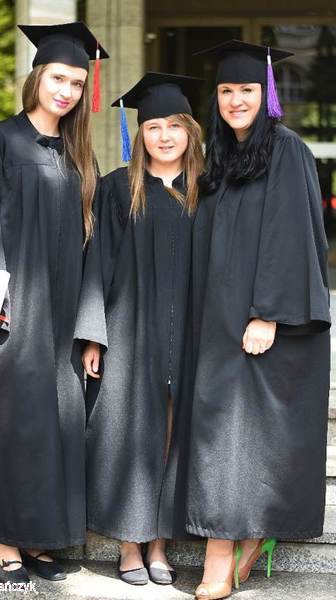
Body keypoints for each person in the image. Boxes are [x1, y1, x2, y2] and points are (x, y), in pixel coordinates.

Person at [0, 22, 108, 584]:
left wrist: (91, 327)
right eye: (58, 78)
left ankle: (38, 542)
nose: (67, 91)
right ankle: (7, 544)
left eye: (77, 83)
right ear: (36, 78)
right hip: (10, 314)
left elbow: (95, 248)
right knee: (10, 425)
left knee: (56, 427)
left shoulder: (81, 157)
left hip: (63, 320)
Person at [186, 40, 331, 599]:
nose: (236, 100)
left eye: (247, 89)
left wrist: (267, 313)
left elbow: (291, 234)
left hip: (263, 323)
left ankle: (222, 549)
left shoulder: (287, 150)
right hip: (219, 321)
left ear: (266, 93)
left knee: (240, 435)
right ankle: (245, 536)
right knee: (227, 432)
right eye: (226, 90)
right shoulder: (222, 155)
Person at [77, 73, 205, 586]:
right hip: (131, 330)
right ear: (139, 133)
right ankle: (130, 543)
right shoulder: (117, 189)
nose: (164, 136)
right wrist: (93, 333)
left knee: (175, 433)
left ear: (191, 130)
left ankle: (159, 545)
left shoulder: (209, 190)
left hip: (192, 333)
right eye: (153, 126)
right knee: (130, 430)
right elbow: (97, 263)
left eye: (174, 125)